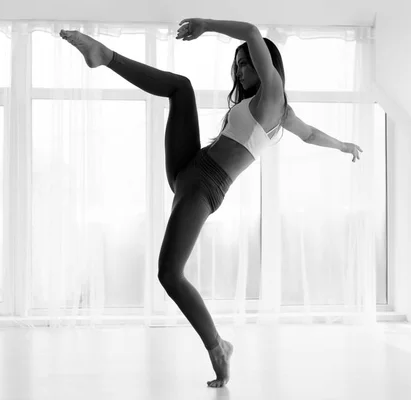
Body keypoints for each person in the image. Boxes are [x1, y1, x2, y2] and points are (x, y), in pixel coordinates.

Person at [60, 17, 362, 388]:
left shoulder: (274, 97)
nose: (240, 66)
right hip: (190, 167)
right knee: (180, 88)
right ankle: (104, 55)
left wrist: (206, 24)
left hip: (204, 186)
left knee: (169, 274)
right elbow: (311, 133)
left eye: (247, 61)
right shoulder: (264, 106)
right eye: (237, 62)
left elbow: (253, 33)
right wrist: (341, 144)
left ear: (267, 65)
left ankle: (218, 347)